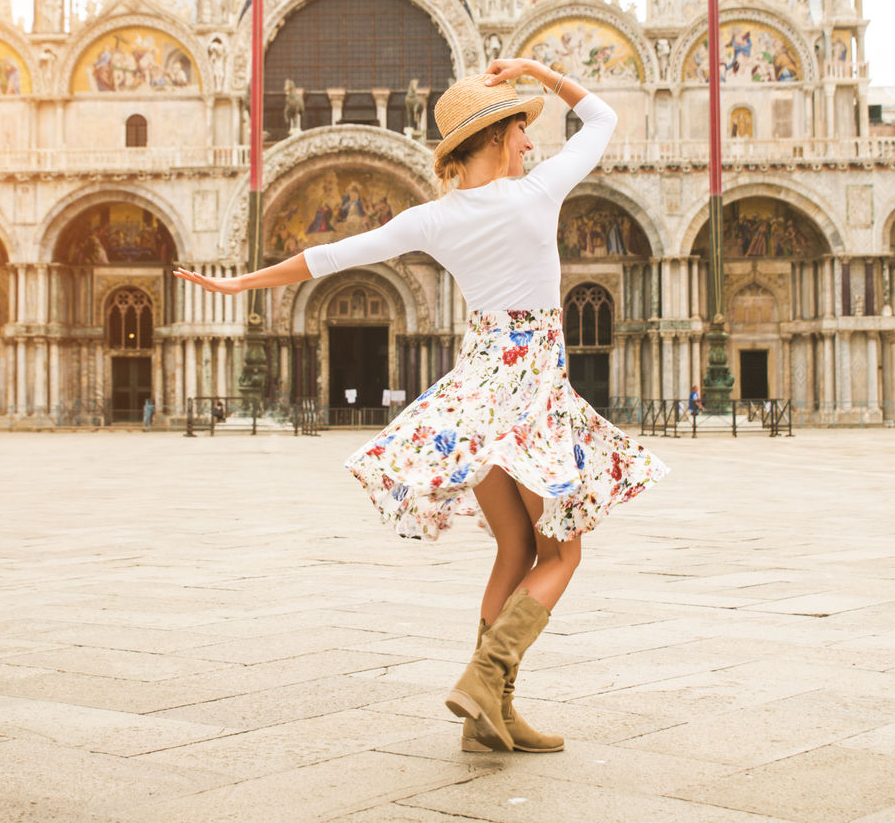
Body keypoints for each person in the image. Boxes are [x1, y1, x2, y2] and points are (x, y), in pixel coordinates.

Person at [175, 58, 667, 756]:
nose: (531, 142)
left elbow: (325, 257)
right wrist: (535, 70)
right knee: (562, 552)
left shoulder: (432, 218)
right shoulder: (536, 193)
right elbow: (602, 117)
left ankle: (488, 717)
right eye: (521, 130)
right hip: (530, 387)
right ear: (495, 135)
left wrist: (237, 285)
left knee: (515, 548)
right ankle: (486, 677)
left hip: (476, 393)